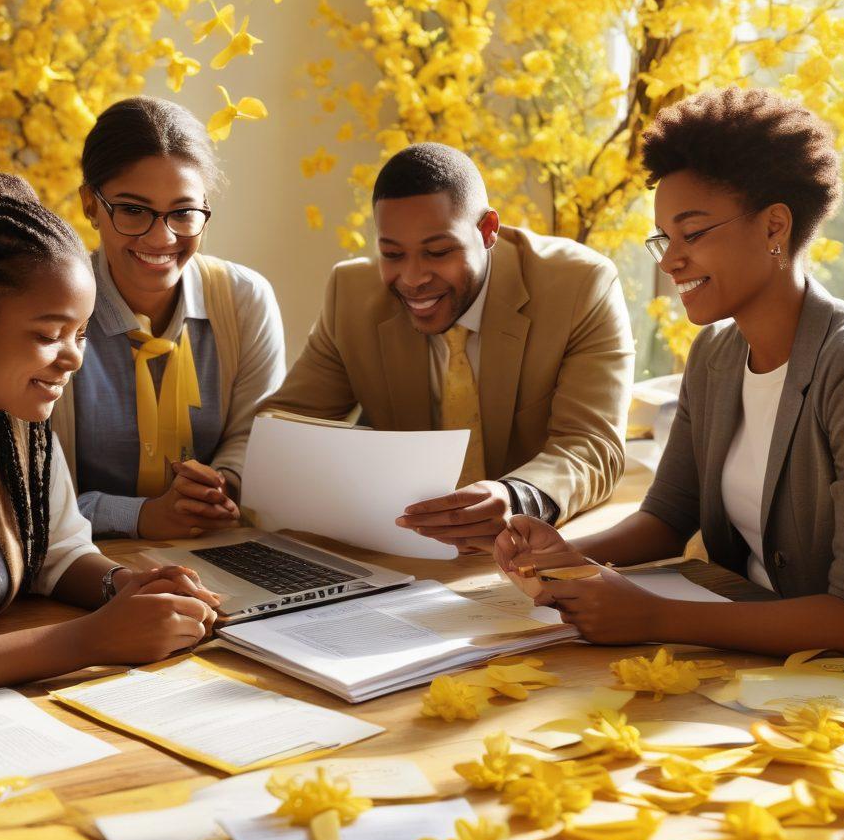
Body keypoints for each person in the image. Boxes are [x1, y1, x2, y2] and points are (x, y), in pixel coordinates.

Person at [495, 87, 844, 658]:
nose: (669, 258)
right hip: (753, 655)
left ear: (774, 226)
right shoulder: (715, 354)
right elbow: (667, 515)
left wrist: (653, 616)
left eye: (694, 232)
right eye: (663, 237)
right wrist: (565, 555)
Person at [0, 169, 220, 707]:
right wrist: (92, 639)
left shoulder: (15, 422)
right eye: (47, 335)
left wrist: (122, 586)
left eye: (79, 333)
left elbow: (56, 550)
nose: (75, 357)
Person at [263, 142, 634, 551]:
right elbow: (282, 427)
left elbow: (592, 446)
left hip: (528, 551)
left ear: (487, 230)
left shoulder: (580, 285)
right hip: (407, 554)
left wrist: (517, 496)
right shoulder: (350, 294)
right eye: (392, 254)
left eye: (438, 252)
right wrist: (225, 481)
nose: (413, 277)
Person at [53, 96, 285, 540]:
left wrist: (223, 486)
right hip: (77, 564)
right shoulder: (49, 311)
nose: (162, 237)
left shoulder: (243, 300)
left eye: (183, 212)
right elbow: (22, 489)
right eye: (133, 210)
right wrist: (139, 516)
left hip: (216, 549)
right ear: (89, 204)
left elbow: (254, 434)